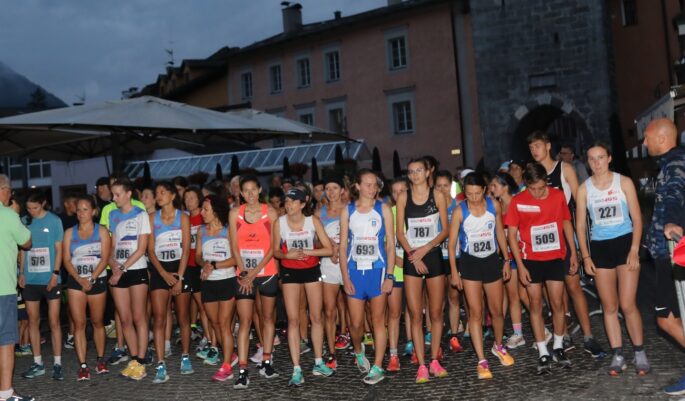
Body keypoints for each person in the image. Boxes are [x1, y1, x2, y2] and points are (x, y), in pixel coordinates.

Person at [528, 131, 605, 357]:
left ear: (548, 145)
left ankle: (589, 337)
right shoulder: (532, 174)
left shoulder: (565, 169)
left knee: (573, 287)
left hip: (565, 234)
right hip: (543, 240)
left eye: (538, 146)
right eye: (531, 147)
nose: (534, 151)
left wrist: (579, 243)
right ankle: (564, 335)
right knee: (555, 292)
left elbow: (580, 202)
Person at [575, 142, 649, 376]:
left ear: (609, 158)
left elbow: (637, 219)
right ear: (588, 162)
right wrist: (585, 256)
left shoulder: (624, 182)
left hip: (625, 243)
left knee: (627, 304)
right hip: (600, 248)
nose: (596, 163)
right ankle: (618, 354)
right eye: (591, 159)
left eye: (600, 158)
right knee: (609, 306)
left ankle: (639, 352)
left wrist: (635, 249)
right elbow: (580, 225)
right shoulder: (584, 189)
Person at [504, 163, 577, 374]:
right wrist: (519, 264)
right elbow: (511, 235)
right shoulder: (518, 201)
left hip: (555, 256)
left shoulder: (557, 195)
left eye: (540, 188)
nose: (536, 193)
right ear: (526, 184)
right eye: (532, 188)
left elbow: (565, 222)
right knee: (535, 305)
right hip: (531, 260)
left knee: (557, 303)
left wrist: (573, 252)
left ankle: (559, 346)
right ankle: (543, 351)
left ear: (546, 181)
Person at [448, 173, 513, 379]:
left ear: (484, 190)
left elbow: (500, 234)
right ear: (463, 193)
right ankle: (481, 360)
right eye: (469, 194)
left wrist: (506, 260)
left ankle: (498, 345)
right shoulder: (460, 211)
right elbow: (451, 246)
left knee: (497, 311)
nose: (474, 197)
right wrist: (454, 272)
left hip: (491, 261)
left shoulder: (494, 205)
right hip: (470, 264)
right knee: (475, 313)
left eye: (477, 193)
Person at [638, 119, 685, 395]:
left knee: (666, 318)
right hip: (668, 254)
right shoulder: (671, 162)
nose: (644, 144)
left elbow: (674, 195)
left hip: (673, 255)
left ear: (663, 138)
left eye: (647, 138)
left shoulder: (675, 164)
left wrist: (671, 223)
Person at [272, 187, 334, 386]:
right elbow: (275, 251)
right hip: (290, 271)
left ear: (302, 203)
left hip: (311, 271)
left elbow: (328, 248)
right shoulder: (279, 223)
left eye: (292, 201)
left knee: (316, 316)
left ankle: (318, 361)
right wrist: (286, 255)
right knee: (293, 320)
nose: (288, 204)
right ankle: (296, 368)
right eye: (287, 201)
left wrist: (308, 251)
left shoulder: (312, 221)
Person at [395, 158, 449, 383]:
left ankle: (435, 359)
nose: (415, 174)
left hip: (433, 255)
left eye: (419, 170)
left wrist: (426, 248)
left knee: (436, 313)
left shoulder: (437, 195)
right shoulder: (403, 197)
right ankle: (422, 364)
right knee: (416, 314)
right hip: (411, 258)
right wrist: (412, 255)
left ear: (428, 172)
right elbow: (400, 232)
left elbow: (445, 230)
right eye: (411, 171)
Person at [339, 169, 395, 385]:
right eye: (368, 184)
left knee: (378, 320)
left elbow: (390, 244)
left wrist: (389, 275)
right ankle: (357, 350)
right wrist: (345, 276)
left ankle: (378, 365)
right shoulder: (348, 211)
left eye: (375, 185)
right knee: (355, 323)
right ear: (358, 186)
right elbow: (343, 245)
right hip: (354, 271)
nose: (372, 189)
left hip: (377, 271)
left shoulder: (384, 209)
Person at [229, 176, 280, 389]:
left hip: (266, 272)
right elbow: (233, 245)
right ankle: (242, 370)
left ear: (260, 189)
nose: (250, 194)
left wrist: (254, 272)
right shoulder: (235, 213)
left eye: (253, 190)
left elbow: (274, 247)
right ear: (240, 193)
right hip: (243, 275)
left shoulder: (271, 213)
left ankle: (266, 361)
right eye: (245, 191)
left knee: (268, 318)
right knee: (245, 322)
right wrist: (244, 273)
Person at [147, 182, 193, 383]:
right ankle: (160, 363)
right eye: (156, 193)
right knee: (159, 318)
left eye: (162, 192)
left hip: (179, 269)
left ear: (173, 195)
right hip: (160, 271)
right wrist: (164, 274)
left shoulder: (183, 217)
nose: (159, 196)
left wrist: (179, 278)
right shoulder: (151, 218)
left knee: (183, 317)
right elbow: (150, 250)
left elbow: (186, 250)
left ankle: (185, 356)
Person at [62, 195, 111, 380]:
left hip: (96, 279)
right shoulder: (69, 233)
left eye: (85, 209)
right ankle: (83, 365)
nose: (81, 213)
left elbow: (105, 258)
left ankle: (100, 359)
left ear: (93, 211)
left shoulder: (102, 231)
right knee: (79, 324)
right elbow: (66, 260)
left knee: (97, 322)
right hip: (76, 281)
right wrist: (79, 279)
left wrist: (90, 277)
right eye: (79, 209)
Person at [108, 179, 151, 381]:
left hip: (136, 270)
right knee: (124, 319)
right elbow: (113, 244)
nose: (113, 198)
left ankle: (142, 361)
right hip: (118, 271)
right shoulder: (112, 214)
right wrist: (112, 263)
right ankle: (134, 359)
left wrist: (122, 269)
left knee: (138, 317)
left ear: (128, 194)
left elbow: (141, 248)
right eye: (113, 194)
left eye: (117, 194)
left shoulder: (141, 215)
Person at [19, 190, 65, 381]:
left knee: (54, 322)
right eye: (29, 208)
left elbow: (59, 249)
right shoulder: (24, 221)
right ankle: (37, 362)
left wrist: (55, 274)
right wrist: (21, 272)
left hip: (50, 279)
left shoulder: (54, 221)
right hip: (30, 280)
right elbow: (22, 248)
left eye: (35, 208)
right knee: (32, 321)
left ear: (44, 203)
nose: (32, 212)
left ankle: (57, 363)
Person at [195, 194, 238, 382]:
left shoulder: (229, 230)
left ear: (216, 210)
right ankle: (231, 355)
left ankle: (226, 366)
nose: (201, 213)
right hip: (208, 283)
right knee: (214, 324)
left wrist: (214, 264)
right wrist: (204, 263)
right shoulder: (201, 231)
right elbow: (197, 256)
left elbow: (236, 259)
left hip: (226, 280)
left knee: (224, 324)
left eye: (205, 209)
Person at [0, 175, 34, 401]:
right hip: (3, 289)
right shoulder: (8, 216)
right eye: (9, 191)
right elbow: (27, 242)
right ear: (3, 190)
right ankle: (5, 393)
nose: (10, 195)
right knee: (5, 342)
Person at [489, 172, 528, 349]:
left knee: (521, 295)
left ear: (505, 187)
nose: (491, 189)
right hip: (507, 256)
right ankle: (522, 332)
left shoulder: (517, 203)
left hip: (522, 253)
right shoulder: (497, 206)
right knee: (514, 295)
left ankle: (530, 330)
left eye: (495, 185)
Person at [315, 174, 348, 371]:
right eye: (328, 188)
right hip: (328, 265)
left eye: (335, 188)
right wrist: (331, 247)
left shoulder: (350, 210)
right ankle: (331, 353)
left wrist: (340, 249)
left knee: (354, 309)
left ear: (343, 190)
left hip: (348, 263)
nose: (331, 192)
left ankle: (357, 347)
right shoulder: (319, 214)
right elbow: (315, 242)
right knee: (328, 310)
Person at [434, 170, 464, 353]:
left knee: (454, 298)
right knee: (436, 300)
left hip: (456, 256)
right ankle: (435, 336)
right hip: (436, 256)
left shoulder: (459, 206)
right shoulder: (430, 207)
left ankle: (454, 335)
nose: (443, 189)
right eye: (439, 186)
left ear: (451, 186)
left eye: (446, 185)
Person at [183, 187, 210, 358]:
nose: (189, 201)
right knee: (194, 303)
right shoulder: (184, 218)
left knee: (203, 305)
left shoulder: (204, 216)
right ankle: (207, 336)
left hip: (202, 264)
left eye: (192, 197)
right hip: (188, 265)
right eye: (186, 198)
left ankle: (209, 337)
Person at [387, 177, 410, 372]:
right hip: (394, 269)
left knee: (414, 311)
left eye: (402, 190)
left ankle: (413, 345)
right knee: (394, 314)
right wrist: (395, 260)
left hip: (413, 269)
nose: (399, 194)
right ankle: (393, 354)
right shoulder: (389, 213)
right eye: (395, 191)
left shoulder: (416, 212)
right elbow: (385, 243)